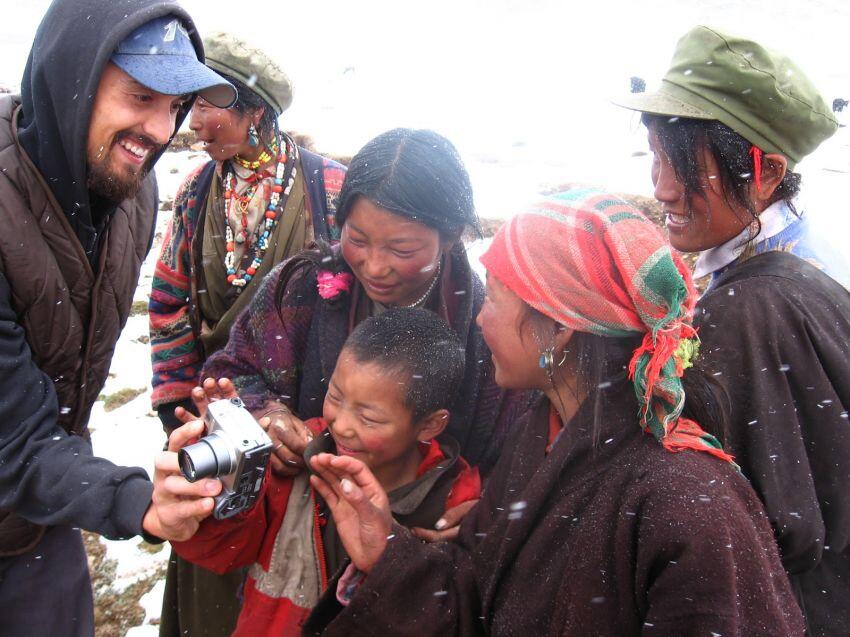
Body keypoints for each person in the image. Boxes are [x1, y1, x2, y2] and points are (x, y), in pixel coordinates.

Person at [303, 189, 804, 636]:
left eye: (495, 300)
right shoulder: (540, 436)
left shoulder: (691, 502)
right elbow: (474, 603)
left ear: (558, 328)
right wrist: (388, 553)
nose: (479, 320)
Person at [0, 1, 237, 634]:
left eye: (175, 106)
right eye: (140, 97)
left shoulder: (131, 191)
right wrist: (135, 501)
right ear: (69, 81)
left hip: (34, 519)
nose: (161, 129)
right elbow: (12, 437)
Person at [616, 26, 850, 636]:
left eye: (687, 167)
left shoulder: (750, 313)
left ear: (767, 172)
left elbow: (782, 525)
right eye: (656, 158)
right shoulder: (802, 267)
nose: (662, 188)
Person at [148, 33, 346, 636]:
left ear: (254, 109)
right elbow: (169, 305)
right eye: (191, 106)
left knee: (303, 577)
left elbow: (366, 297)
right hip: (220, 420)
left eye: (208, 105)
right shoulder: (195, 192)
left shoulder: (328, 188)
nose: (195, 124)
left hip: (311, 430)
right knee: (216, 570)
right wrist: (181, 410)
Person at [201, 128, 527, 484]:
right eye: (357, 239)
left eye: (401, 250)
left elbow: (514, 451)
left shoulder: (487, 327)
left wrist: (475, 503)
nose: (373, 267)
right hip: (304, 515)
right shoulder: (300, 288)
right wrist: (268, 413)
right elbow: (232, 372)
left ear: (449, 237)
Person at [164, 308, 480, 635]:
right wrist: (225, 477)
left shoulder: (455, 508)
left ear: (429, 425)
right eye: (335, 396)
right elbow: (223, 549)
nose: (340, 426)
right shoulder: (298, 459)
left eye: (369, 418)